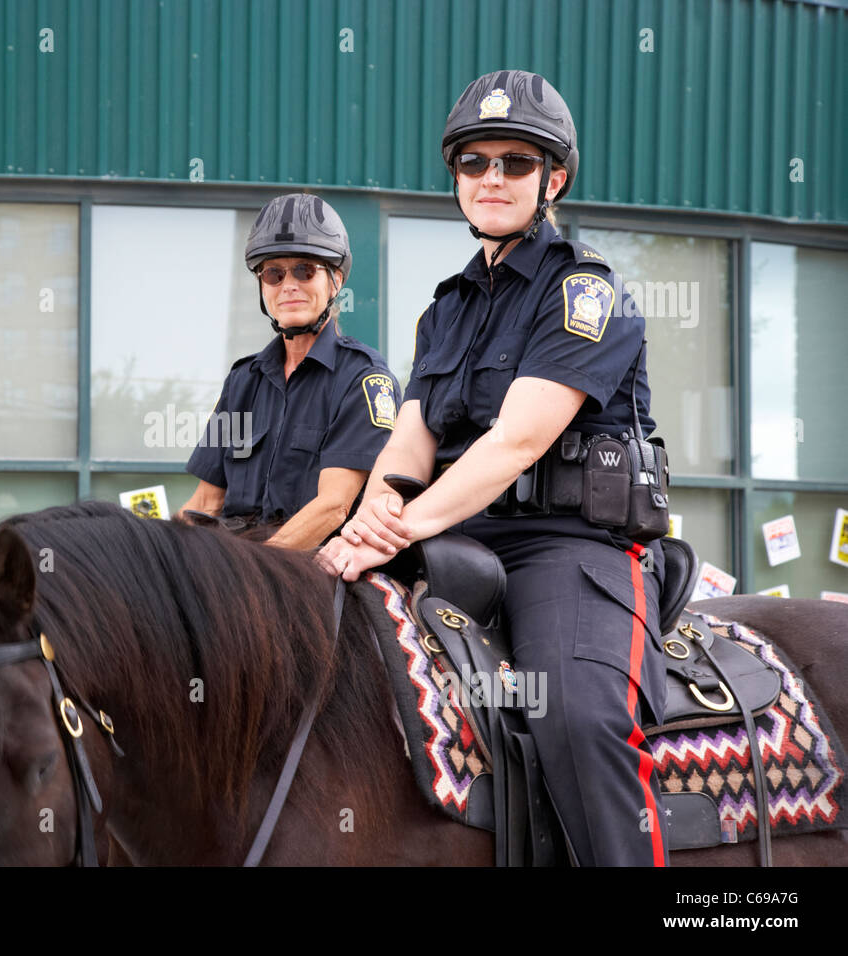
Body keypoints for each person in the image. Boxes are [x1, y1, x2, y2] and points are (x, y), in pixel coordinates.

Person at [319, 71, 670, 866]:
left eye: (517, 161)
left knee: (577, 716)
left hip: (566, 547)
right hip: (452, 537)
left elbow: (516, 441)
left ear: (555, 178)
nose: (492, 179)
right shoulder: (443, 309)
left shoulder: (586, 290)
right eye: (474, 162)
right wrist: (367, 526)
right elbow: (406, 448)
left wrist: (397, 526)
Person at [181, 193, 401, 550]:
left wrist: (253, 572)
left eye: (305, 270)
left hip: (313, 569)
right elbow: (205, 503)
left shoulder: (363, 379)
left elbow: (334, 506)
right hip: (233, 564)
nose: (288, 286)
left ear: (336, 280)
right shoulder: (242, 381)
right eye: (273, 273)